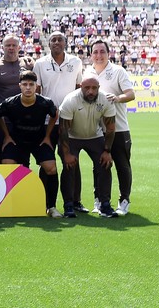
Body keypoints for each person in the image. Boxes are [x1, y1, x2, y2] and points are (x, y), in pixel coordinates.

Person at [32, 31, 85, 213]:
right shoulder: (40, 64)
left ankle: (73, 202)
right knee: (46, 163)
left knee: (70, 163)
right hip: (46, 123)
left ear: (65, 43)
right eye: (53, 40)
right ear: (49, 43)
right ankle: (43, 203)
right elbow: (37, 91)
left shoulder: (76, 62)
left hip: (68, 122)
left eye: (59, 40)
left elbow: (79, 89)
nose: (56, 42)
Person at [0, 71, 62, 218]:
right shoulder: (10, 103)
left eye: (31, 84)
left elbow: (55, 114)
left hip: (38, 140)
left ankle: (51, 206)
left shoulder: (45, 102)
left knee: (51, 168)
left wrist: (47, 136)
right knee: (7, 163)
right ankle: (12, 203)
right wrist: (7, 136)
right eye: (25, 84)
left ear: (36, 86)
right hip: (17, 140)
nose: (28, 87)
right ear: (19, 86)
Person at [85, 39, 135, 216]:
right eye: (95, 52)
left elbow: (131, 94)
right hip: (97, 130)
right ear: (91, 54)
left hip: (119, 128)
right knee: (99, 167)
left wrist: (117, 98)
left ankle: (124, 200)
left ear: (108, 53)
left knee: (122, 165)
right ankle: (99, 200)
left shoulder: (118, 71)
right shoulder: (87, 72)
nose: (98, 55)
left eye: (102, 52)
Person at [58, 75, 118, 219]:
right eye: (87, 88)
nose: (90, 91)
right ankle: (69, 205)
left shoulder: (106, 100)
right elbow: (63, 130)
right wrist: (66, 154)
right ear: (80, 87)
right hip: (71, 138)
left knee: (105, 164)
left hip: (94, 136)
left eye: (94, 88)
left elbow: (110, 128)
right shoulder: (70, 100)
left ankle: (104, 204)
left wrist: (107, 151)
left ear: (98, 88)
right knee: (69, 166)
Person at [0, 34, 25, 103]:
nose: (11, 48)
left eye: (14, 45)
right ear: (2, 48)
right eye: (8, 45)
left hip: (24, 111)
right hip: (1, 111)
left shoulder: (27, 65)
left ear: (19, 47)